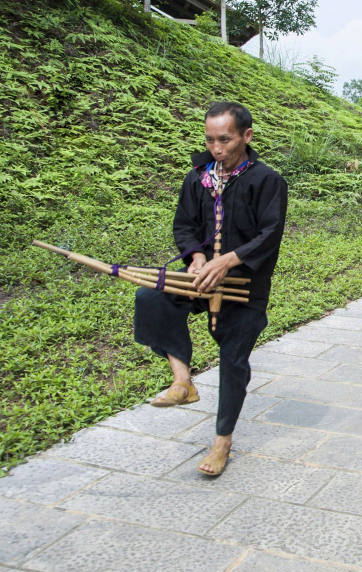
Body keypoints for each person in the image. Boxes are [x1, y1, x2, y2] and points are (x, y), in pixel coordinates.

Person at [135, 102, 288, 476]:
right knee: (151, 295)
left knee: (233, 360)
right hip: (202, 277)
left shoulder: (267, 180)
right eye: (210, 140)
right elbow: (184, 225)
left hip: (244, 284)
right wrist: (198, 260)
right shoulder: (198, 177)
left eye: (225, 139)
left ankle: (222, 442)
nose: (216, 148)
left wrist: (228, 260)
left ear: (246, 136)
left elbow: (270, 235)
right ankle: (183, 381)